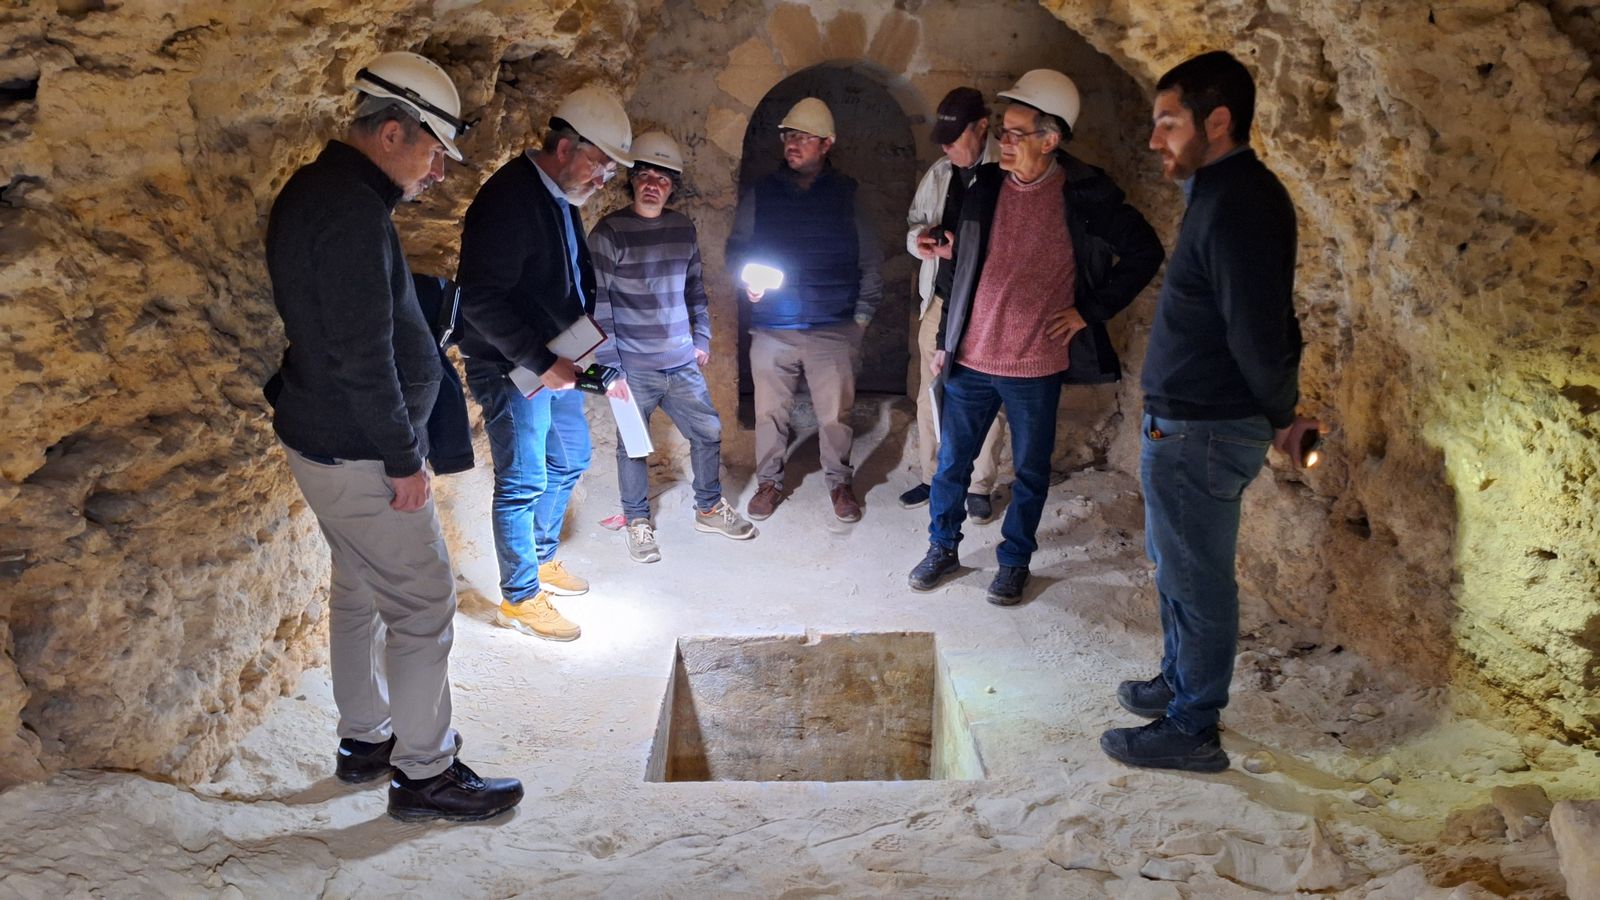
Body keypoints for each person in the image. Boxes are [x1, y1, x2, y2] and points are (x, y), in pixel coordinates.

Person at [264, 51, 522, 821]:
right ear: (391, 132)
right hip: (362, 449)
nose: (437, 171)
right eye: (433, 151)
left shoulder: (324, 192)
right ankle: (425, 774)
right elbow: (360, 353)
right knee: (421, 605)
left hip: (325, 439)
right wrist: (404, 459)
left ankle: (366, 741)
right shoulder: (347, 211)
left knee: (357, 592)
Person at [1099, 51, 1319, 773]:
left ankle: (1194, 725)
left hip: (1205, 427)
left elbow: (1258, 328)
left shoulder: (1239, 203)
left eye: (1169, 123)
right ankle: (1177, 681)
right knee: (1174, 564)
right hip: (1187, 421)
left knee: (1197, 575)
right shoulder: (1220, 194)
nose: (1156, 139)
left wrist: (1281, 414)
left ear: (1216, 122)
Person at [907, 70, 1164, 605]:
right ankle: (942, 547)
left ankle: (1014, 560)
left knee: (1028, 473)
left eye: (1018, 133)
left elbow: (1144, 252)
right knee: (952, 464)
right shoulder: (986, 188)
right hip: (972, 357)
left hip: (1036, 365)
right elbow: (962, 266)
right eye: (1004, 131)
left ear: (1051, 139)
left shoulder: (1085, 195)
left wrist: (1088, 311)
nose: (1004, 142)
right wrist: (946, 341)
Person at [456, 86, 633, 642]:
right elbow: (480, 297)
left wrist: (572, 350)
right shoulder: (510, 198)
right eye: (600, 164)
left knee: (571, 457)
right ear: (565, 147)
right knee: (523, 481)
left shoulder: (555, 193)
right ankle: (520, 597)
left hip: (553, 359)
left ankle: (540, 555)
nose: (603, 178)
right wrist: (539, 359)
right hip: (512, 366)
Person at [588, 131, 756, 563]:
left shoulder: (683, 228)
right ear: (632, 181)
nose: (652, 184)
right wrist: (610, 366)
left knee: (708, 432)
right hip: (632, 366)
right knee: (632, 444)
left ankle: (708, 507)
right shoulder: (609, 233)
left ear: (671, 186)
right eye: (644, 175)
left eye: (661, 179)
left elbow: (696, 289)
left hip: (679, 361)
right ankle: (637, 521)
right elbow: (598, 302)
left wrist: (701, 338)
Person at [726, 97, 883, 523]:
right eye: (788, 136)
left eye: (802, 137)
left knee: (835, 415)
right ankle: (769, 482)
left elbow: (870, 257)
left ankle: (839, 482)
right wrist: (748, 284)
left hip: (833, 325)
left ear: (826, 143)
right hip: (774, 326)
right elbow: (737, 249)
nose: (792, 143)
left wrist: (861, 319)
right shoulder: (763, 193)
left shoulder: (845, 194)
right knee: (770, 412)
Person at [902, 86, 1006, 522]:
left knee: (986, 397)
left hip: (986, 307)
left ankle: (979, 484)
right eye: (942, 141)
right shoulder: (942, 172)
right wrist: (921, 242)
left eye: (954, 138)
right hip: (940, 300)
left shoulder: (1006, 172)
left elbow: (1009, 248)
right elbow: (913, 225)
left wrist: (960, 251)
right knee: (930, 392)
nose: (947, 148)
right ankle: (933, 475)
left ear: (982, 128)